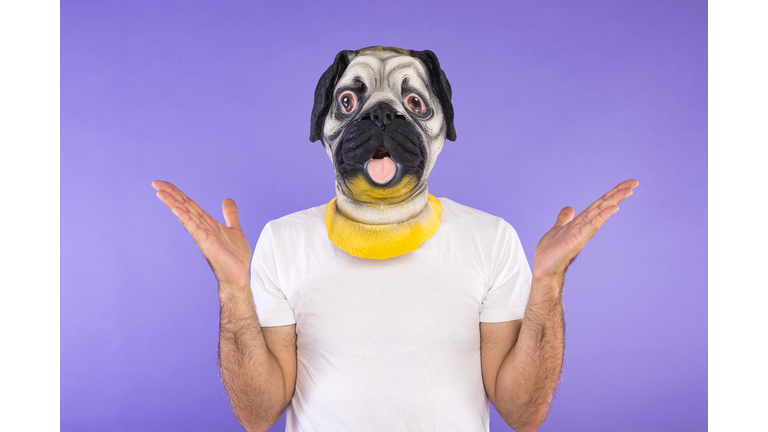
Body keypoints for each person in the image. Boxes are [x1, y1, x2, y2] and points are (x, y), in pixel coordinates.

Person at [152, 47, 638, 432]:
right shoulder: (282, 242)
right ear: (322, 123)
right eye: (350, 102)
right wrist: (233, 289)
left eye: (412, 103)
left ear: (443, 125)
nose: (381, 118)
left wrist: (548, 284)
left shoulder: (491, 240)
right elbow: (258, 416)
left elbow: (523, 414)